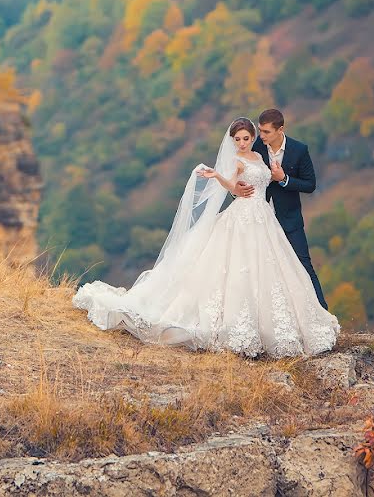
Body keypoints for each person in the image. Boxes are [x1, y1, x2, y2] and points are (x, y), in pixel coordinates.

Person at [72, 116, 339, 358]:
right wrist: (220, 178)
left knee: (277, 267)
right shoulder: (238, 159)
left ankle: (292, 318)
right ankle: (239, 325)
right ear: (232, 141)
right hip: (244, 216)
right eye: (238, 139)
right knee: (238, 268)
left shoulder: (260, 156)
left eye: (248, 138)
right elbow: (233, 185)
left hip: (265, 218)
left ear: (256, 137)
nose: (243, 142)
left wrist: (281, 178)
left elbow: (291, 182)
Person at [233, 109, 328, 310]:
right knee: (258, 268)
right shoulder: (256, 146)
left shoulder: (299, 150)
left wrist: (284, 179)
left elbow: (310, 184)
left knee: (303, 264)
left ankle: (321, 313)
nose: (261, 136)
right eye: (260, 131)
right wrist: (237, 191)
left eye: (266, 132)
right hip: (258, 220)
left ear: (280, 129)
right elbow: (239, 175)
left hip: (289, 219)